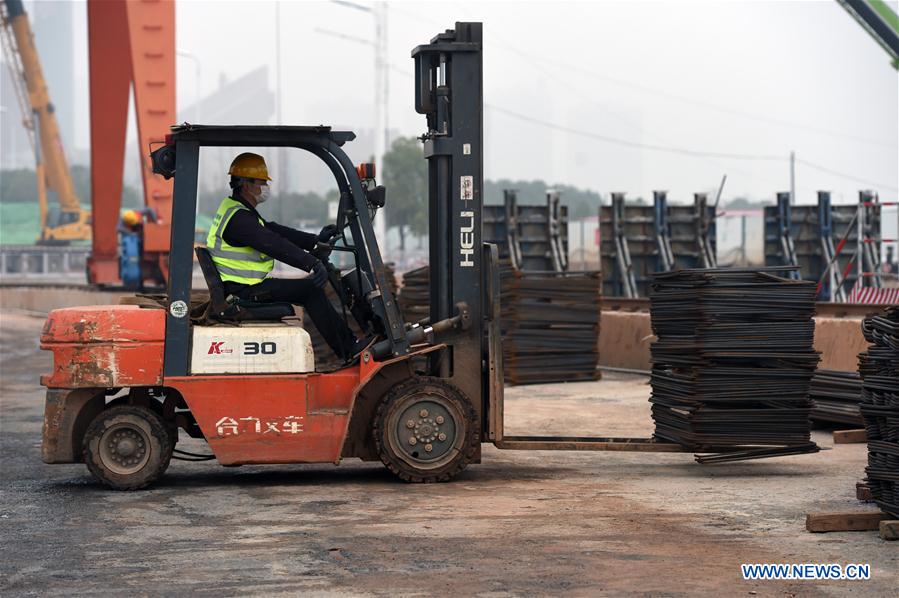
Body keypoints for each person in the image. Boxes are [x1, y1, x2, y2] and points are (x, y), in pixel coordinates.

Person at [207, 152, 364, 361]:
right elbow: (272, 243)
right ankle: (349, 350)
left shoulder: (238, 211)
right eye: (262, 182)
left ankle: (348, 347)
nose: (265, 187)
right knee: (311, 291)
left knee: (309, 288)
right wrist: (312, 263)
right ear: (246, 184)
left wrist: (314, 241)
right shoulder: (239, 219)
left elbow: (274, 231)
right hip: (242, 290)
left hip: (242, 285)